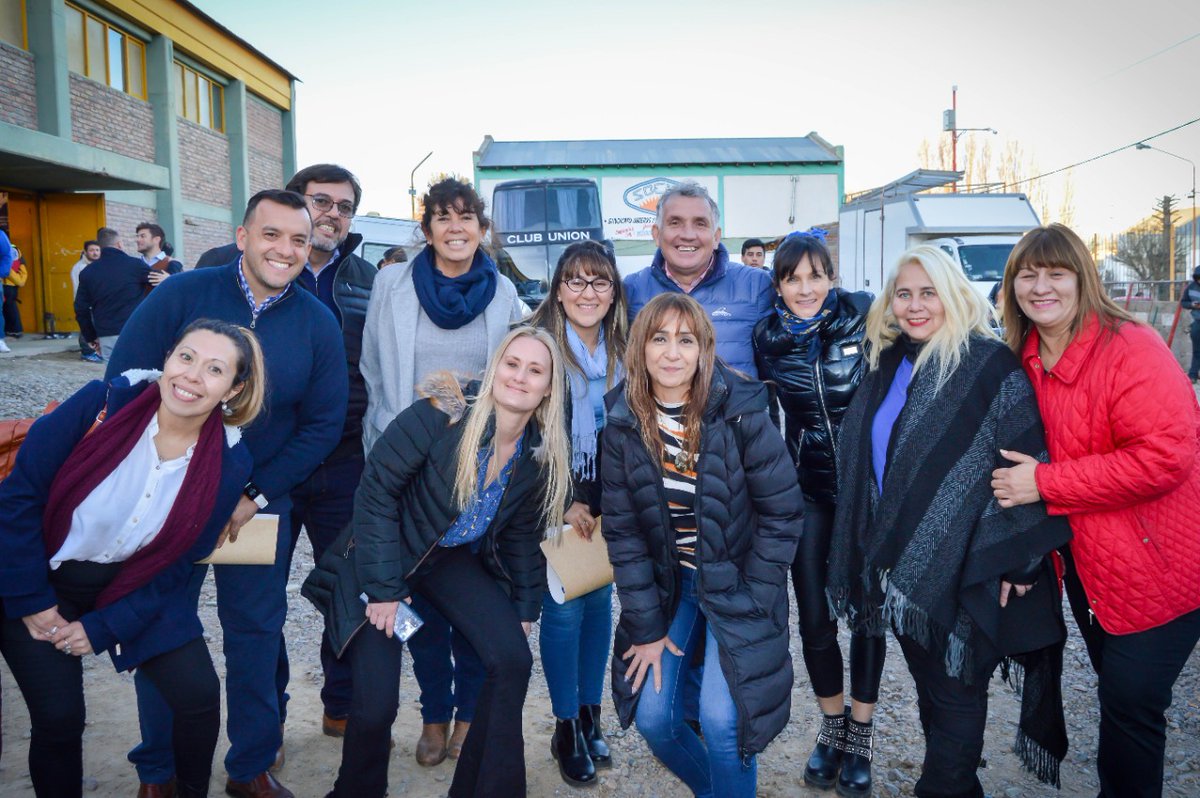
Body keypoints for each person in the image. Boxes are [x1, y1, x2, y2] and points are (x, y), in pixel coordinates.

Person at [109, 189, 348, 798]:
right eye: (271, 235)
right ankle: (158, 772)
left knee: (255, 632)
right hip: (166, 499)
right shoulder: (182, 296)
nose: (286, 250)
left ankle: (250, 767)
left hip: (253, 507)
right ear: (243, 237)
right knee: (161, 625)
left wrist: (253, 491)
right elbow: (127, 381)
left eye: (298, 239)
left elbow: (323, 424)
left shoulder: (318, 321)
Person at [828, 245, 1071, 798]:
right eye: (904, 294)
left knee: (959, 692)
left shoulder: (987, 364)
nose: (915, 306)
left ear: (954, 294)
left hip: (974, 564)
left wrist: (1022, 561)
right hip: (903, 567)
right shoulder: (888, 362)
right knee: (931, 691)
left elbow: (1026, 461)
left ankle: (941, 787)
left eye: (928, 292)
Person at [0, 319, 265, 798]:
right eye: (185, 357)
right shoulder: (101, 404)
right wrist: (31, 601)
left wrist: (103, 628)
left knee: (199, 697)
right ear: (167, 359)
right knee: (59, 718)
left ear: (234, 388)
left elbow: (178, 563)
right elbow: (18, 500)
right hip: (41, 579)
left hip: (131, 585)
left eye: (214, 369)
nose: (190, 377)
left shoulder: (230, 462)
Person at [316, 326, 572, 798]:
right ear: (495, 368)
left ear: (549, 387)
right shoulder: (441, 416)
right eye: (512, 364)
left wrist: (523, 609)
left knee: (511, 658)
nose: (520, 377)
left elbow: (521, 536)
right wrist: (385, 589)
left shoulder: (537, 454)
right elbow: (375, 496)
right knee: (375, 706)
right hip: (382, 556)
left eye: (535, 370)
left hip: (444, 557)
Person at [992, 223, 1200, 798]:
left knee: (1131, 706)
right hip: (1090, 566)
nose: (1041, 287)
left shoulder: (1130, 346)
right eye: (1027, 275)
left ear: (1082, 278)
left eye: (1055, 273)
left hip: (1162, 561)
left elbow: (1166, 457)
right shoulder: (1022, 357)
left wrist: (1045, 483)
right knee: (1120, 694)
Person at [602, 293, 803, 798]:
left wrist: (757, 594)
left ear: (703, 349)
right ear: (640, 348)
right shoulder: (624, 422)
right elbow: (624, 535)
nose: (672, 352)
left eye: (686, 340)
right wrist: (646, 629)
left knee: (721, 718)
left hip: (737, 582)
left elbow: (783, 513)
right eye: (660, 338)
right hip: (678, 586)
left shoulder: (741, 408)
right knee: (653, 718)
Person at [360, 177, 527, 765]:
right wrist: (390, 435)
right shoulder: (392, 283)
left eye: (467, 218)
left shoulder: (503, 291)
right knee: (423, 608)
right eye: (443, 217)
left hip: (478, 476)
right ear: (425, 226)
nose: (456, 228)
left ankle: (469, 715)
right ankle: (433, 712)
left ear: (482, 228)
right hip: (408, 470)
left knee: (476, 603)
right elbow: (373, 367)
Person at [751, 228, 883, 795]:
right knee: (814, 616)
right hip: (809, 492)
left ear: (831, 276)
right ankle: (831, 725)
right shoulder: (768, 337)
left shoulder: (865, 315)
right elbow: (764, 415)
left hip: (869, 493)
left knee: (868, 614)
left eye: (815, 275)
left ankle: (861, 731)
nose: (805, 288)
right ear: (777, 285)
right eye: (792, 278)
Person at [278, 164, 379, 740]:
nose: (332, 214)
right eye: (321, 201)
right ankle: (266, 724)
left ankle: (340, 704)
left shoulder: (372, 279)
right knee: (261, 600)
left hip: (345, 466)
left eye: (344, 206)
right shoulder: (258, 269)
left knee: (348, 590)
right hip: (268, 470)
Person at [526, 239, 627, 786]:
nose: (588, 293)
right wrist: (564, 502)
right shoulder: (538, 345)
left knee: (598, 606)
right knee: (564, 612)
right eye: (576, 281)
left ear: (613, 292)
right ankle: (565, 725)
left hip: (610, 499)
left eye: (599, 282)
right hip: (554, 497)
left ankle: (591, 715)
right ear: (559, 290)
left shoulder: (623, 349)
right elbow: (520, 427)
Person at [623, 183, 773, 377]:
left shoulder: (756, 286)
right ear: (657, 234)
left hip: (737, 408)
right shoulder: (632, 289)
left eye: (700, 223)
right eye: (675, 222)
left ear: (716, 236)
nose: (687, 235)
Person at [74, 227, 151, 359]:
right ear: (119, 244)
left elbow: (81, 308)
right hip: (134, 330)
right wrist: (174, 265)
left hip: (106, 334)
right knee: (138, 374)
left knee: (113, 377)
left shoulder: (88, 272)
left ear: (101, 247)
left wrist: (91, 336)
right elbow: (161, 281)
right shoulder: (136, 265)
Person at [71, 240, 105, 362]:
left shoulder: (99, 266)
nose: (95, 253)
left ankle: (95, 351)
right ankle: (87, 352)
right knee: (86, 327)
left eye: (97, 250)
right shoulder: (80, 267)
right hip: (86, 304)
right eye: (92, 250)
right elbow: (78, 288)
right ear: (85, 252)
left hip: (98, 303)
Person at [136, 222, 184, 289]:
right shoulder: (133, 263)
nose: (137, 240)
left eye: (142, 236)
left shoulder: (173, 264)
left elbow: (182, 290)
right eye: (137, 236)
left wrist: (171, 281)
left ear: (156, 239)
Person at [1180, 264, 1200, 382]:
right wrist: (1192, 305)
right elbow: (1184, 302)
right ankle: (1192, 376)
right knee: (1197, 350)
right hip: (1197, 322)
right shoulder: (1191, 287)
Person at [2, 243, 27, 339]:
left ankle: (14, 330)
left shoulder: (9, 249)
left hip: (7, 284)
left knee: (9, 308)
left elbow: (7, 268)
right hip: (10, 285)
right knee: (9, 307)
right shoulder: (14, 249)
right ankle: (14, 330)